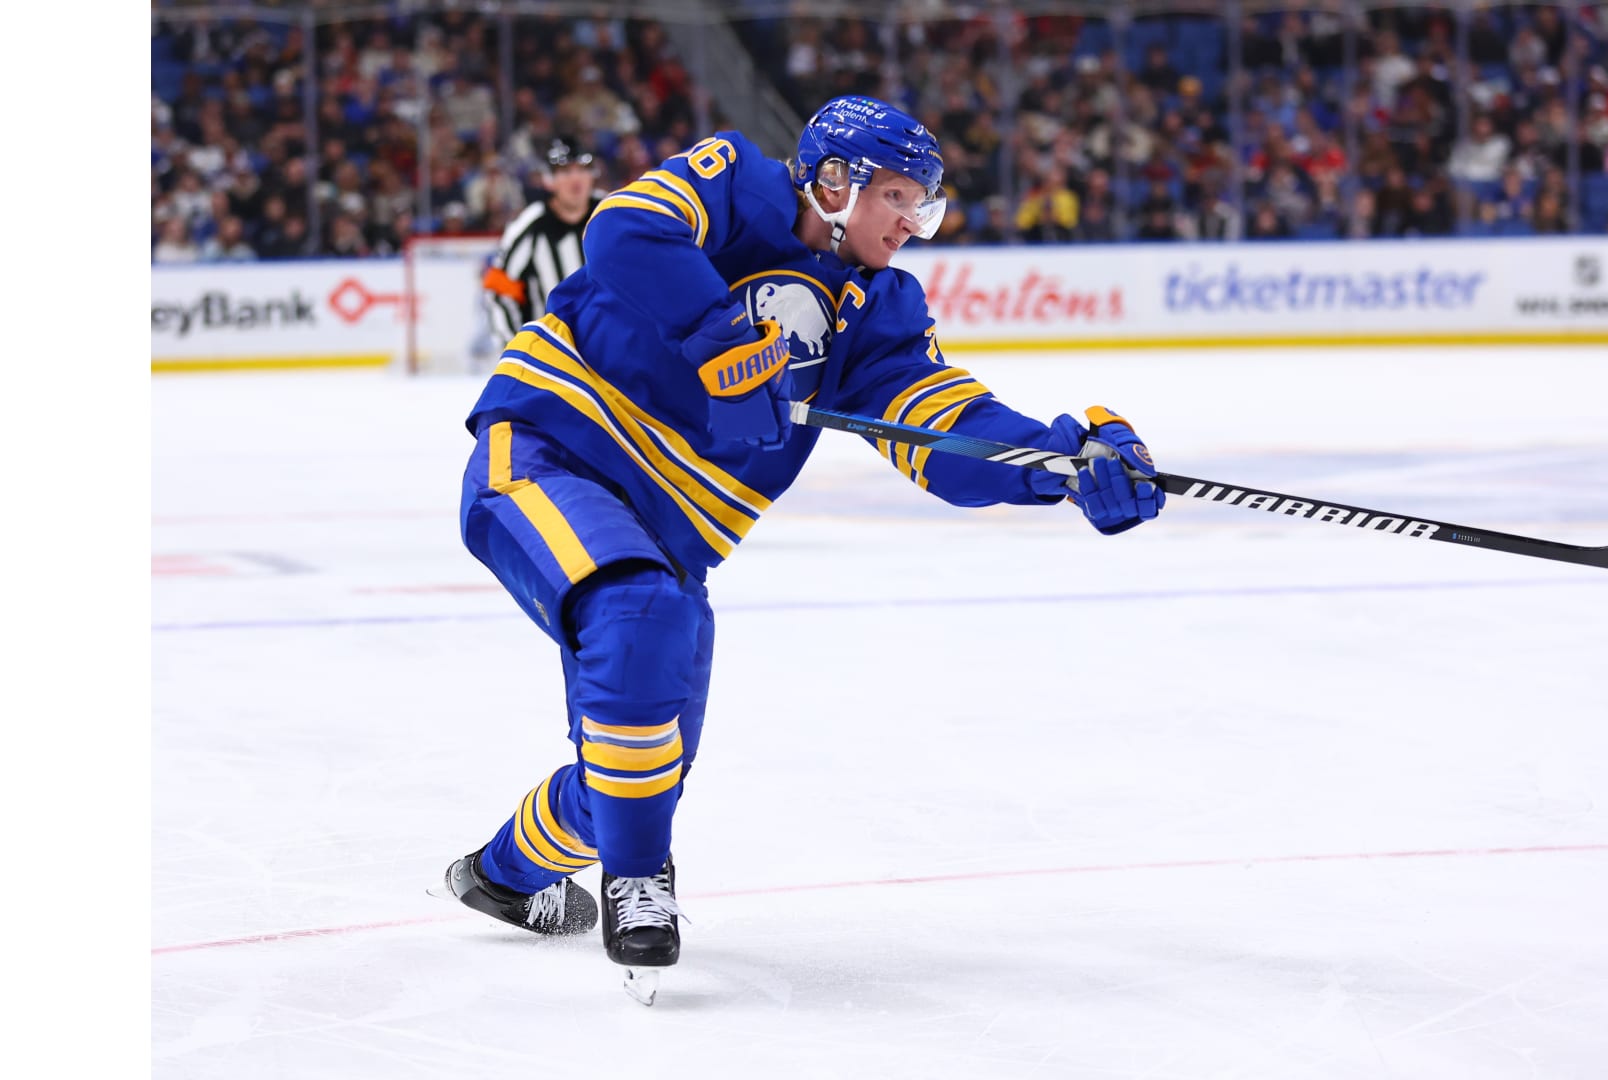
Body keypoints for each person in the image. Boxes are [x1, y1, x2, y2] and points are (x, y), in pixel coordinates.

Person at [437, 96, 1164, 1002]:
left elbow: (943, 429)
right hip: (551, 455)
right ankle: (640, 879)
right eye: (896, 196)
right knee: (640, 621)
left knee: (641, 770)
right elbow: (625, 231)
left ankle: (501, 876)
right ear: (832, 180)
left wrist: (1058, 463)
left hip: (669, 540)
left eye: (923, 204)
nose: (911, 223)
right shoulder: (735, 182)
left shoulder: (879, 310)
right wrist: (717, 337)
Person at [482, 137, 605, 348]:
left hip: (612, 351)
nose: (576, 179)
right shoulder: (529, 226)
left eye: (582, 169)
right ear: (549, 180)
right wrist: (518, 348)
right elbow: (499, 293)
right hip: (551, 354)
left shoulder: (611, 214)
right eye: (565, 171)